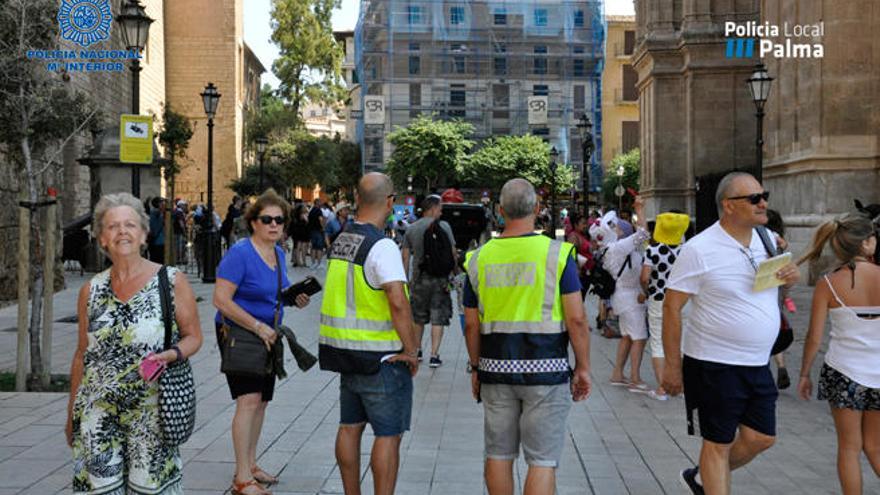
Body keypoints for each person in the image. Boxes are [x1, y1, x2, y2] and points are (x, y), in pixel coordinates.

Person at [662, 172, 800, 495]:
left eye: (763, 195)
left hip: (756, 362)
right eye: (754, 198)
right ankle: (710, 479)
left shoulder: (767, 239)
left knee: (761, 437)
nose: (763, 202)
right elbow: (671, 307)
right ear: (729, 206)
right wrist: (671, 366)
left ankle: (700, 479)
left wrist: (790, 277)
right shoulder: (700, 249)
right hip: (713, 363)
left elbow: (775, 286)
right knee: (717, 444)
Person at [67, 193, 203, 494]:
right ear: (102, 238)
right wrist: (71, 415)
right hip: (97, 414)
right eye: (112, 226)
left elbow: (194, 336)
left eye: (130, 224)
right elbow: (81, 355)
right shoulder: (90, 290)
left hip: (151, 413)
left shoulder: (171, 281)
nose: (121, 232)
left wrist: (172, 354)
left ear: (143, 234)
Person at [464, 178, 591, 495]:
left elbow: (470, 325)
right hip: (546, 371)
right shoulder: (558, 255)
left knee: (498, 454)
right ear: (537, 209)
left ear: (499, 211)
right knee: (542, 460)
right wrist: (583, 367)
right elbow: (576, 319)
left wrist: (476, 368)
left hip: (495, 370)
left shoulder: (478, 259)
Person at [318, 173, 420, 495]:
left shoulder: (342, 241)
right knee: (388, 435)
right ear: (389, 202)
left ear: (357, 198)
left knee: (349, 428)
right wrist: (412, 349)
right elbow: (397, 301)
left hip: (345, 354)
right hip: (382, 359)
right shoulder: (382, 245)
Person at [213, 189, 310, 495]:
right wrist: (256, 326)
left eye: (279, 220)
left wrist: (295, 299)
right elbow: (221, 300)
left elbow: (278, 294)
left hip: (269, 335)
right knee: (248, 401)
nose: (273, 225)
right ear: (253, 222)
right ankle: (242, 479)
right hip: (240, 334)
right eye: (266, 219)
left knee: (261, 402)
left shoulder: (278, 254)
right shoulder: (240, 253)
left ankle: (250, 465)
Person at [796, 212, 880, 495]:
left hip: (843, 373)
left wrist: (805, 373)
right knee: (875, 446)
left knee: (849, 447)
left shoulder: (828, 283)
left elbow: (814, 336)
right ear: (867, 243)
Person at [595, 202, 650, 392]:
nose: (618, 230)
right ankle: (635, 378)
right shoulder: (618, 248)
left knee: (627, 337)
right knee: (639, 338)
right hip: (630, 299)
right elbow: (644, 234)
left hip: (624, 297)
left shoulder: (612, 249)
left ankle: (618, 374)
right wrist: (640, 211)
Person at [402, 195, 458, 367]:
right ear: (432, 208)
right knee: (438, 317)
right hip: (440, 280)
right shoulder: (444, 227)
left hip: (419, 280)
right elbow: (453, 253)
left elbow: (405, 257)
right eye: (440, 208)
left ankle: (418, 351)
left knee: (418, 317)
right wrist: (454, 273)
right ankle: (434, 355)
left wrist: (406, 280)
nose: (441, 212)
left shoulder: (411, 229)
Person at [640, 211, 690, 401]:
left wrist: (646, 290)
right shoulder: (687, 250)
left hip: (658, 299)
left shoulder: (652, 251)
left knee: (658, 343)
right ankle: (683, 386)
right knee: (683, 341)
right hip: (684, 300)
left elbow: (645, 277)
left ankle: (663, 388)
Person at [765, 209, 793, 389]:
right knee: (775, 326)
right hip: (778, 287)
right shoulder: (779, 239)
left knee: (766, 327)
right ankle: (781, 365)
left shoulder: (763, 236)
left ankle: (764, 365)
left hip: (765, 285)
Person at [566, 213, 594, 300]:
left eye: (586, 223)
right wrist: (577, 269)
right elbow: (571, 254)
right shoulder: (573, 236)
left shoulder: (584, 235)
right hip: (580, 274)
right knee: (579, 299)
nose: (586, 225)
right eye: (583, 223)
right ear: (576, 225)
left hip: (587, 273)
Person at [307, 198, 327, 268]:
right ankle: (319, 263)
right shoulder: (319, 210)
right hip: (318, 230)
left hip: (312, 231)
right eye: (320, 202)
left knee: (313, 247)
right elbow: (321, 220)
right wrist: (324, 228)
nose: (321, 203)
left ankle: (313, 263)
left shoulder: (311, 210)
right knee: (319, 247)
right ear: (317, 203)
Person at [148, 196, 166, 263]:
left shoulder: (159, 213)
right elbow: (154, 228)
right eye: (162, 203)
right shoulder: (155, 213)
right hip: (157, 243)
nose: (164, 204)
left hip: (159, 242)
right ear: (158, 204)